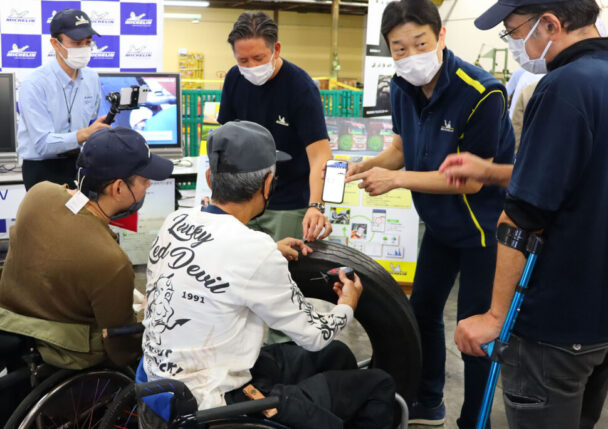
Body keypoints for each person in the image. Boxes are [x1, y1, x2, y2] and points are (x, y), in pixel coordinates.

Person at [141, 121, 395, 428]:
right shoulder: (253, 249)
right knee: (379, 385)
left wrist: (268, 251)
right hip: (215, 404)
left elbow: (215, 258)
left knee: (336, 355)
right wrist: (348, 304)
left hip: (159, 387)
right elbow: (315, 336)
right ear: (268, 184)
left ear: (210, 178)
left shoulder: (175, 221)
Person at [346, 1, 515, 427]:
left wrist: (397, 181)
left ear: (441, 36)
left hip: (480, 231)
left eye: (419, 43)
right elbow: (402, 149)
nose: (410, 55)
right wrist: (367, 165)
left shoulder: (482, 92)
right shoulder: (402, 86)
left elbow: (473, 180)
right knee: (421, 312)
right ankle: (429, 401)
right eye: (398, 48)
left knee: (473, 331)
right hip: (438, 225)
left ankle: (475, 420)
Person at [449, 1, 608, 428]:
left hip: (552, 324)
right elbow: (585, 175)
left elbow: (523, 218)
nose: (515, 44)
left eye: (514, 32)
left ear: (551, 24)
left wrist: (495, 316)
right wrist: (494, 172)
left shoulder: (563, 87)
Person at [0, 127, 174, 370]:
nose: (149, 185)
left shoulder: (38, 194)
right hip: (67, 359)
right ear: (118, 189)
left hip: (13, 335)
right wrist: (145, 315)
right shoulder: (112, 262)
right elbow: (122, 351)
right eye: (145, 180)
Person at [218, 11, 333, 242]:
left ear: (276, 49)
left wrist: (315, 206)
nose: (251, 66)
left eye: (259, 58)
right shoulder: (234, 78)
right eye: (243, 60)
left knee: (285, 272)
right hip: (241, 202)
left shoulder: (301, 88)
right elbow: (224, 140)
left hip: (288, 205)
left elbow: (320, 156)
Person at [17, 9, 110, 191]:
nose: (83, 48)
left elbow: (93, 119)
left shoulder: (92, 78)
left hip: (79, 165)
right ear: (55, 43)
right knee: (47, 220)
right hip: (42, 169)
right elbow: (43, 144)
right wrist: (83, 134)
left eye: (88, 42)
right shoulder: (34, 84)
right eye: (76, 43)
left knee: (83, 219)